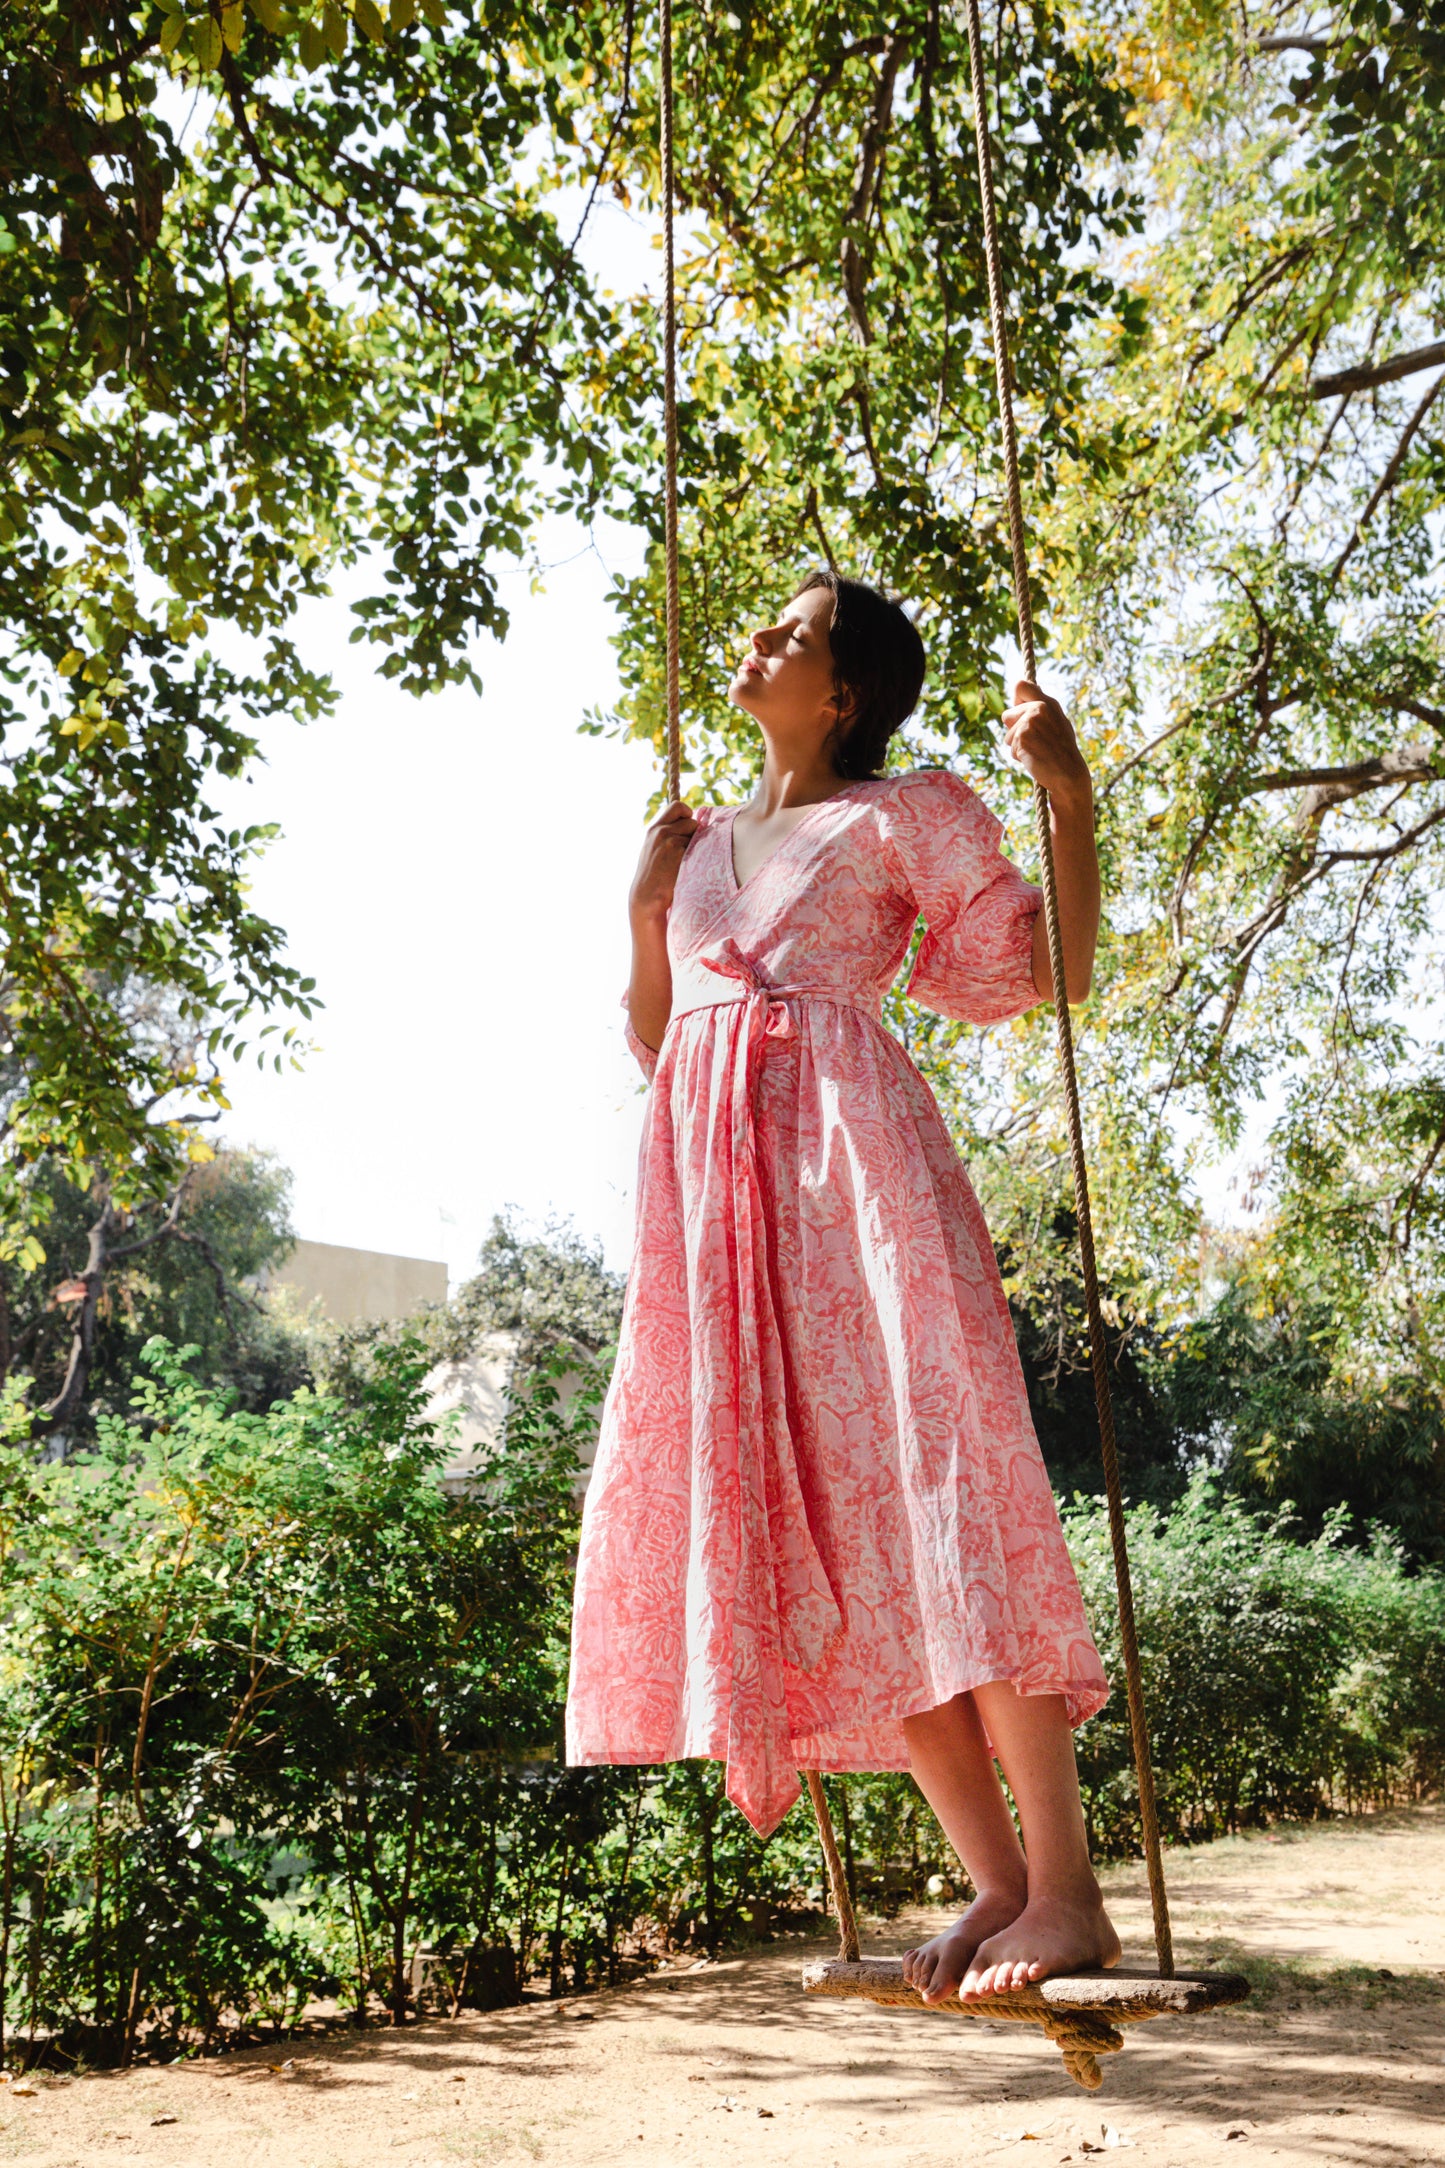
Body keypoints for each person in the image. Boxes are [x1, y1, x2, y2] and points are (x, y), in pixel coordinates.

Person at [566, 570, 1120, 2002]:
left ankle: (1064, 1893)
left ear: (845, 693)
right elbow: (657, 1038)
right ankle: (994, 1888)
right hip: (715, 1220)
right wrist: (642, 914)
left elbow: (1040, 973)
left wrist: (1064, 798)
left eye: (793, 636)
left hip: (856, 1185)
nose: (756, 640)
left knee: (945, 1498)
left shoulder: (904, 815)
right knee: (835, 1534)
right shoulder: (694, 851)